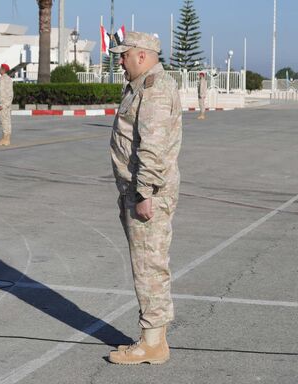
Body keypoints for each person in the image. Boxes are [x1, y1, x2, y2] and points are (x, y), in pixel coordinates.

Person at [107, 31, 182, 365]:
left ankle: (152, 345)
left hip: (147, 193)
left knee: (149, 267)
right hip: (139, 190)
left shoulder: (154, 90)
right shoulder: (142, 86)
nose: (119, 61)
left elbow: (152, 146)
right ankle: (153, 338)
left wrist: (143, 193)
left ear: (141, 55)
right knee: (148, 265)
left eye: (124, 56)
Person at [0, 63, 13, 146]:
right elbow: (11, 93)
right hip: (8, 103)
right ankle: (7, 138)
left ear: (3, 69)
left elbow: (2, 92)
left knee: (4, 121)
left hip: (3, 104)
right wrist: (7, 103)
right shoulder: (9, 79)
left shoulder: (2, 79)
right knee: (8, 121)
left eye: (0, 68)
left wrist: (1, 104)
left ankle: (5, 139)